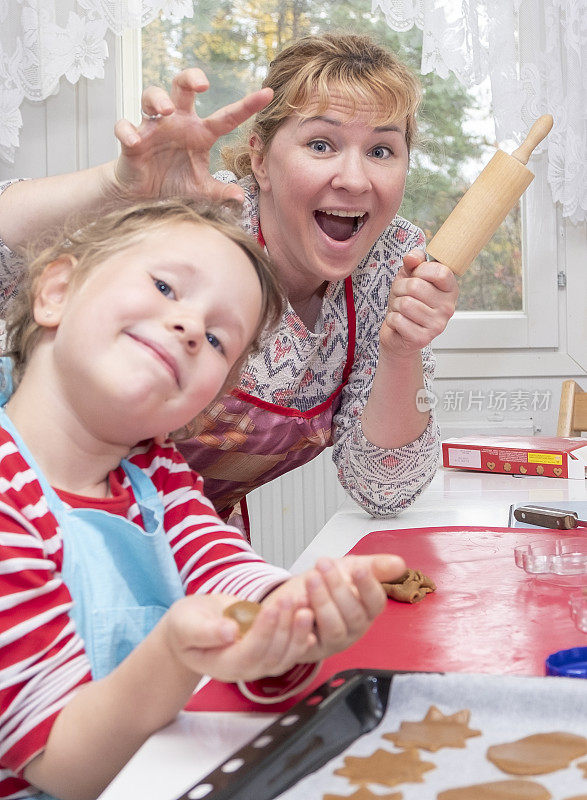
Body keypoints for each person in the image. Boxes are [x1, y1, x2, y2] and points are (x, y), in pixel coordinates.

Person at [0, 198, 406, 800]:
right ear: (57, 290)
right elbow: (61, 764)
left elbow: (224, 572)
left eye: (219, 339)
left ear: (206, 402)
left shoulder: (155, 473)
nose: (191, 327)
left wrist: (293, 613)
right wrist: (175, 652)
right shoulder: (10, 500)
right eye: (165, 285)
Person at [0, 32, 459, 537]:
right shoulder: (201, 215)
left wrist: (401, 350)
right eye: (321, 144)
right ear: (260, 160)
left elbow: (386, 488)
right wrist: (116, 187)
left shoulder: (388, 263)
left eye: (381, 150)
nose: (354, 179)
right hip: (35, 505)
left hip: (186, 535)